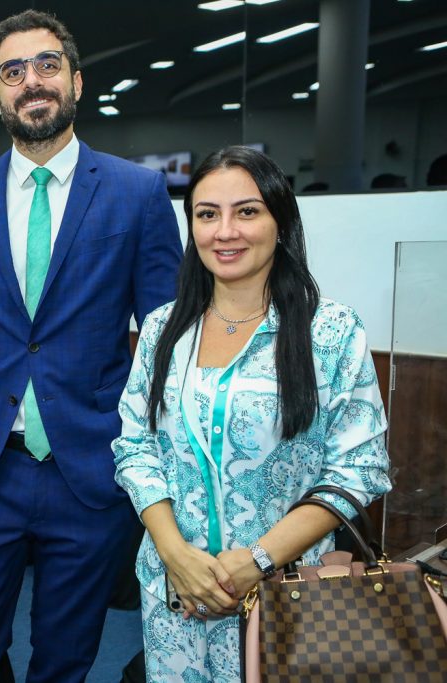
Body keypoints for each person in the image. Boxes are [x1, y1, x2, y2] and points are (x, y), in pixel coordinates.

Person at [0, 10, 182, 682]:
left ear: (76, 81)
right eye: (13, 71)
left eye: (47, 64)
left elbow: (165, 339)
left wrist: (157, 466)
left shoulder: (136, 192)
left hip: (89, 469)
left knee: (64, 660)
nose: (32, 81)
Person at [112, 145, 392, 681]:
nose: (226, 231)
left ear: (280, 220)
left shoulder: (329, 332)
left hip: (290, 596)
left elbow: (359, 469)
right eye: (207, 214)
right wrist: (175, 554)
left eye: (247, 211)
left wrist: (256, 561)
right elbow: (135, 447)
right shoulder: (163, 329)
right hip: (175, 594)